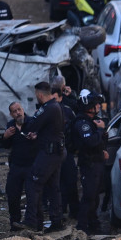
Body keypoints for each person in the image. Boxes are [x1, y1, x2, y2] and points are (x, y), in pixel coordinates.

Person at [19, 81, 64, 233]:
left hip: (49, 153)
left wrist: (22, 120)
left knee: (33, 183)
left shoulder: (48, 107)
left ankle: (32, 222)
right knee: (53, 188)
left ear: (39, 94)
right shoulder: (54, 107)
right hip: (54, 152)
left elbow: (32, 124)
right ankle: (56, 221)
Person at [71, 90, 108, 234]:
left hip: (97, 162)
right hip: (89, 164)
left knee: (94, 197)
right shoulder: (82, 123)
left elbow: (98, 142)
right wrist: (99, 130)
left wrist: (102, 149)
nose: (99, 106)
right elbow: (90, 141)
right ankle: (82, 227)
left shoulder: (92, 121)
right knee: (89, 197)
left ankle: (94, 226)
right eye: (96, 104)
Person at [1, 101, 35, 231]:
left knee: (32, 196)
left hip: (31, 165)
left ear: (23, 109)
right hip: (16, 166)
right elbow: (6, 146)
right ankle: (14, 223)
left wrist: (35, 137)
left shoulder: (32, 122)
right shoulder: (10, 126)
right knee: (13, 195)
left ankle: (31, 223)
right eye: (14, 111)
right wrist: (5, 136)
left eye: (19, 110)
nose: (18, 113)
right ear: (11, 114)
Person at [52, 82, 79, 220]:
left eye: (55, 98)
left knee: (70, 180)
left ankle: (74, 211)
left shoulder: (68, 111)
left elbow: (75, 130)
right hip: (53, 153)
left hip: (67, 150)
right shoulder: (47, 111)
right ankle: (60, 211)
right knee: (57, 183)